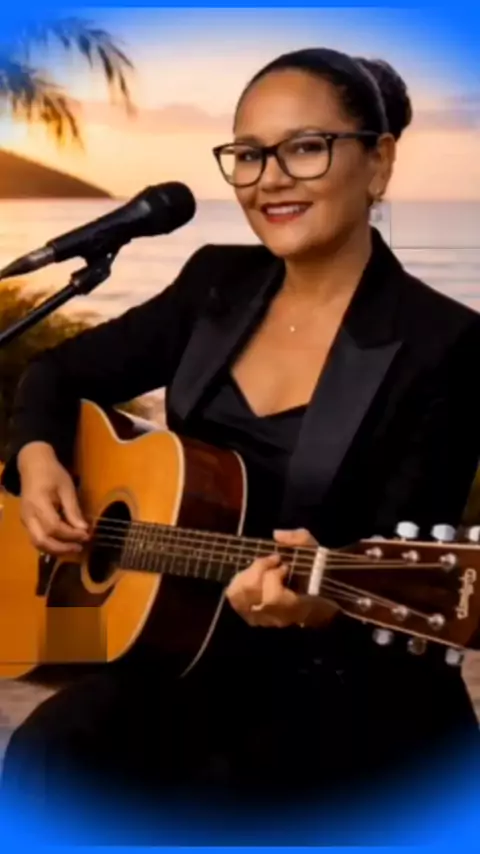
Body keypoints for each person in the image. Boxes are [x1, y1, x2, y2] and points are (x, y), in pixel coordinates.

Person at [2, 46, 480, 834]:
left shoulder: (445, 345)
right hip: (187, 649)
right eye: (249, 155)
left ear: (379, 161)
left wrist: (317, 606)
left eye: (305, 147)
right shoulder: (214, 284)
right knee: (50, 753)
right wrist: (39, 458)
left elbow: (404, 575)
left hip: (345, 684)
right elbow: (57, 374)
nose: (269, 179)